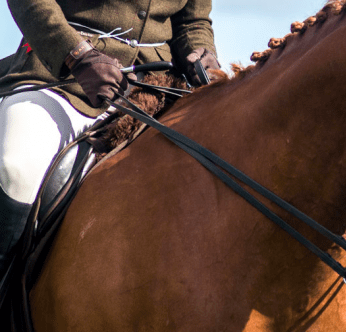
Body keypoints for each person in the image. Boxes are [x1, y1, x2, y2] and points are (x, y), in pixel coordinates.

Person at [0, 0, 220, 287]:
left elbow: (193, 21)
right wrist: (76, 54)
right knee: (18, 168)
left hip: (159, 86)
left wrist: (202, 52)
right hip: (64, 76)